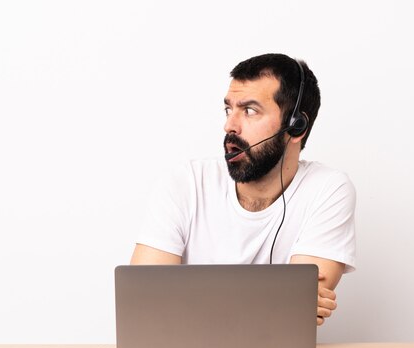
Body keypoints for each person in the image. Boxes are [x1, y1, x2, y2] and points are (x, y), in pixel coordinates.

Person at [130, 53, 356, 325]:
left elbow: (299, 314)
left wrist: (184, 298)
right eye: (229, 109)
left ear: (297, 127)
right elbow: (143, 302)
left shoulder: (328, 190)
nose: (230, 126)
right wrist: (281, 298)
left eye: (249, 111)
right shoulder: (185, 182)